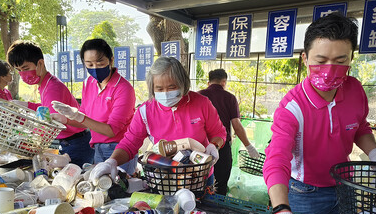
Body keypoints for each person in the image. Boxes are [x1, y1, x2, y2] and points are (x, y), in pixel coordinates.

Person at [263, 13, 376, 214]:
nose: (330, 69)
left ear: (351, 60)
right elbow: (276, 159)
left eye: (340, 61)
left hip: (343, 187)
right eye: (321, 61)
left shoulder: (355, 91)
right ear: (305, 58)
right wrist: (282, 212)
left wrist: (374, 150)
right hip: (304, 193)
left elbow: (360, 127)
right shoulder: (293, 107)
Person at [88, 56, 226, 187]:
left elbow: (218, 132)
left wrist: (214, 145)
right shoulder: (145, 111)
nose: (165, 93)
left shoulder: (202, 103)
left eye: (172, 87)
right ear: (152, 88)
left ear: (183, 83)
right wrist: (112, 161)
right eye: (159, 89)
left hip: (200, 176)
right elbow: (130, 143)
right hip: (165, 179)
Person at [52, 39, 137, 175]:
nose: (95, 68)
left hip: (120, 149)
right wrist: (65, 119)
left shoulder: (123, 88)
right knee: (99, 189)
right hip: (97, 148)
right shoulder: (89, 83)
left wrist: (78, 116)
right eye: (89, 64)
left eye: (100, 63)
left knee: (120, 189)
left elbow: (111, 130)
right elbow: (85, 118)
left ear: (111, 60)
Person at [7, 40, 93, 167]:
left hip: (76, 144)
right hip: (72, 141)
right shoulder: (45, 84)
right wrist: (26, 105)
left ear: (40, 63)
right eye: (19, 70)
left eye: (26, 68)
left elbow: (49, 123)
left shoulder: (52, 88)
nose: (23, 74)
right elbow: (47, 110)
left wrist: (28, 136)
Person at [198, 68, 259, 195]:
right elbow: (236, 125)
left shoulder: (199, 96)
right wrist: (248, 146)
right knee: (220, 185)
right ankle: (219, 210)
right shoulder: (229, 98)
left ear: (209, 83)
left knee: (198, 183)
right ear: (224, 82)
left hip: (200, 147)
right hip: (221, 145)